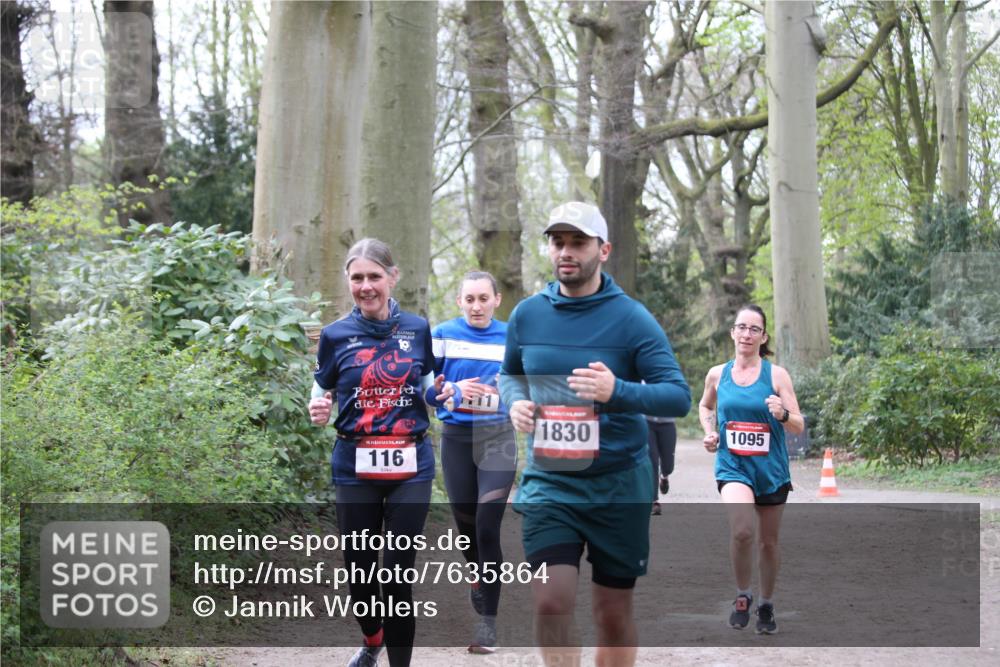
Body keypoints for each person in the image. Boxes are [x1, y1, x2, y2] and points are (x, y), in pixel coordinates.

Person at [499, 201, 691, 667]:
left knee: (611, 612)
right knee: (551, 601)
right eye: (558, 241)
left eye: (578, 242)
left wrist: (617, 390)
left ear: (603, 250)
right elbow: (509, 375)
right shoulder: (527, 314)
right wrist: (515, 402)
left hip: (618, 484)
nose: (566, 251)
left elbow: (677, 396)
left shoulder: (631, 319)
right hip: (551, 481)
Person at [308, 238, 447, 667]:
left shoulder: (418, 328)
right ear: (348, 281)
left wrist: (441, 394)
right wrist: (317, 404)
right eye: (357, 278)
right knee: (361, 574)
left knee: (398, 575)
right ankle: (373, 640)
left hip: (410, 465)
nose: (366, 286)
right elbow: (321, 385)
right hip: (355, 465)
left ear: (392, 277)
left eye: (374, 276)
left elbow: (428, 388)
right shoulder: (334, 335)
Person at [698, 304, 805, 635]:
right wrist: (710, 431)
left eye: (753, 329)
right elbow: (704, 405)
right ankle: (743, 595)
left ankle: (766, 602)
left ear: (763, 336)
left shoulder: (777, 375)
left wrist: (783, 414)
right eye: (741, 327)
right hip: (733, 466)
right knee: (743, 530)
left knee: (768, 543)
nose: (746, 334)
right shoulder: (717, 374)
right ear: (732, 332)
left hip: (770, 470)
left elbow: (799, 425)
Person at [429, 270, 517, 654]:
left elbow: (529, 384)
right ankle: (478, 579)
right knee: (466, 528)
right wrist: (449, 391)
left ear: (497, 299)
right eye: (469, 299)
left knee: (486, 525)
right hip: (456, 440)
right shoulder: (443, 334)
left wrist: (508, 389)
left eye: (484, 298)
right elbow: (426, 394)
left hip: (497, 438)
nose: (476, 306)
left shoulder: (513, 336)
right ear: (459, 302)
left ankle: (488, 624)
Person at [645, 414, 676, 516]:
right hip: (647, 422)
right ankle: (654, 501)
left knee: (668, 465)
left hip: (667, 422)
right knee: (652, 460)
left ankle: (664, 476)